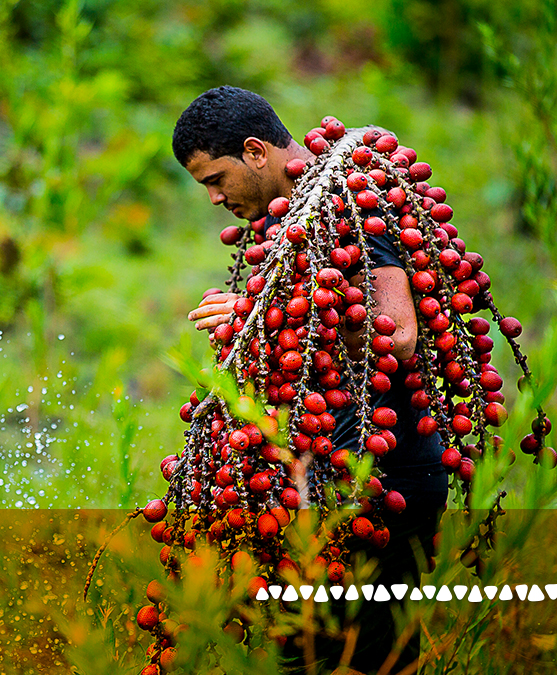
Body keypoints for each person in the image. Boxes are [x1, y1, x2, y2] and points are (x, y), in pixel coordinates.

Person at [171, 85, 448, 673]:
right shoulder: (299, 220)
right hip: (337, 474)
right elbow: (313, 327)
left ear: (255, 151)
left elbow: (396, 334)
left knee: (360, 661)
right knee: (306, 654)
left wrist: (254, 318)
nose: (215, 199)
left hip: (385, 476)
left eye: (216, 180)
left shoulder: (349, 200)